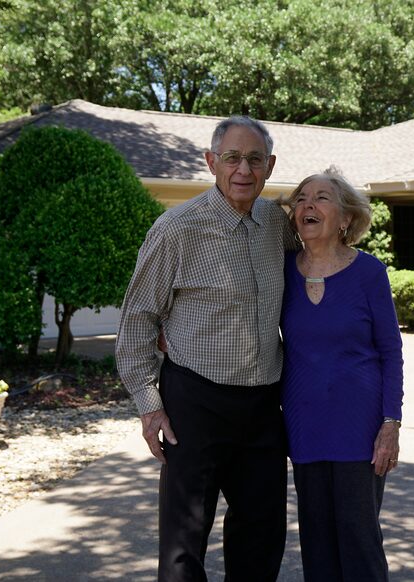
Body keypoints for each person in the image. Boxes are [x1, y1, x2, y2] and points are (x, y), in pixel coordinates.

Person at [115, 116, 295, 582]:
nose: (243, 169)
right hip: (195, 402)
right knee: (184, 541)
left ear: (270, 166)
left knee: (262, 532)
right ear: (211, 162)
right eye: (232, 158)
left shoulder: (276, 223)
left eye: (255, 159)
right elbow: (137, 323)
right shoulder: (176, 229)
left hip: (263, 405)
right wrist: (150, 407)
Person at [280, 168, 404, 581]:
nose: (307, 205)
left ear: (346, 219)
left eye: (321, 198)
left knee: (359, 539)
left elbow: (391, 352)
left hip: (359, 428)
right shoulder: (281, 272)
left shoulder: (369, 273)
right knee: (316, 542)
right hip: (303, 424)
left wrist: (390, 424)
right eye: (301, 198)